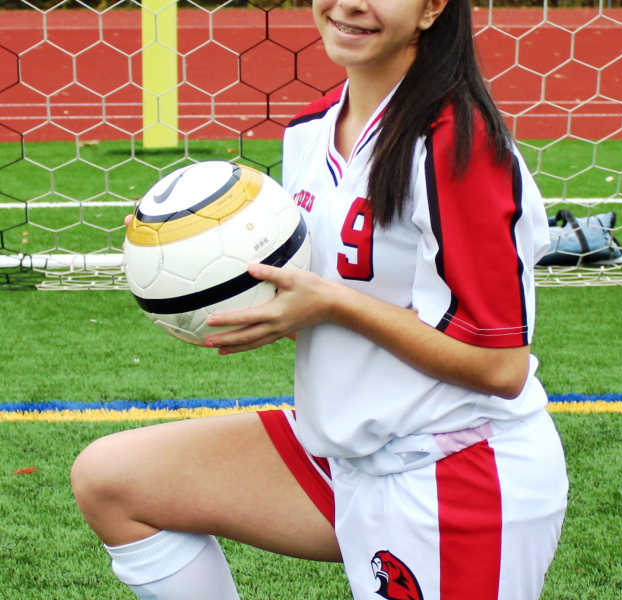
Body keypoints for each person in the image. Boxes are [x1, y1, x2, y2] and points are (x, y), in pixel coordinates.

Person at [71, 0, 569, 599]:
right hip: (342, 457)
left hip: (456, 468)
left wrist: (330, 305)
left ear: (433, 8)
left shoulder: (460, 146)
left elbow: (501, 366)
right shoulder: (309, 133)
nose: (351, 5)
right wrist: (259, 304)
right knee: (113, 481)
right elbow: (330, 285)